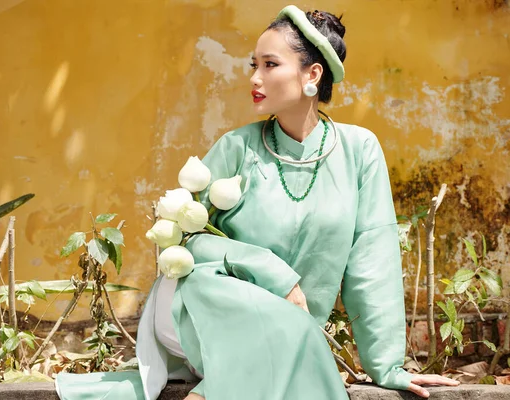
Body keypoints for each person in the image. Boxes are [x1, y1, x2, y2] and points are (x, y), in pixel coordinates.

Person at [56, 5, 459, 400]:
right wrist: (273, 272)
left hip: (289, 334)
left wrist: (386, 366)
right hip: (202, 309)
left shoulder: (359, 150)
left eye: (270, 64)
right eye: (254, 65)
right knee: (288, 332)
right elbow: (183, 243)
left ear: (312, 74)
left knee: (292, 334)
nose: (255, 77)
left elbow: (373, 258)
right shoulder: (236, 148)